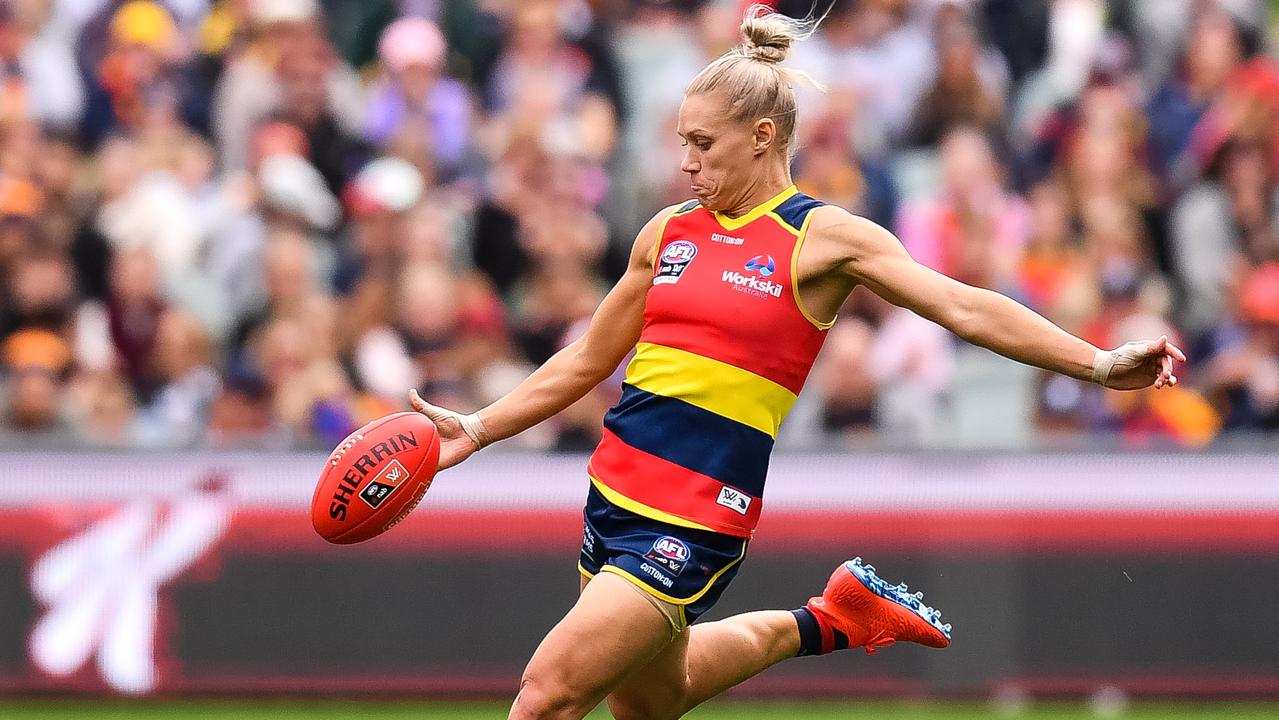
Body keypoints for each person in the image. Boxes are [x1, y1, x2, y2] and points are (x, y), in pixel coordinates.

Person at [409, 8, 1185, 720]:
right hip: (611, 496)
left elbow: (964, 306)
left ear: (761, 136)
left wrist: (1095, 362)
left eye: (702, 144)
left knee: (543, 699)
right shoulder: (666, 231)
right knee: (648, 703)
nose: (684, 162)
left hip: (694, 517)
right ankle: (829, 618)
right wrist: (475, 430)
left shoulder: (823, 239)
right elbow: (586, 359)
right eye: (682, 141)